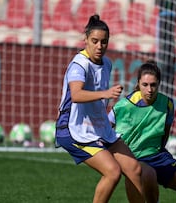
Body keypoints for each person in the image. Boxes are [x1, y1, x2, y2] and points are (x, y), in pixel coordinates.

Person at [55, 14, 145, 203]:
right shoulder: (79, 65)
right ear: (85, 39)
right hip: (73, 128)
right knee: (113, 172)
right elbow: (77, 95)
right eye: (94, 41)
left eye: (104, 42)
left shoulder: (107, 63)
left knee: (135, 170)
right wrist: (105, 93)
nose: (99, 46)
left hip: (99, 127)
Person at [108, 61, 176, 203]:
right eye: (145, 85)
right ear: (138, 83)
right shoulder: (123, 106)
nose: (149, 89)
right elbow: (105, 131)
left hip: (158, 156)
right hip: (133, 158)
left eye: (153, 85)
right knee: (149, 173)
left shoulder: (167, 104)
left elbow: (165, 134)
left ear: (159, 84)